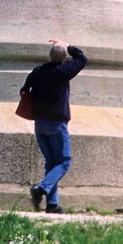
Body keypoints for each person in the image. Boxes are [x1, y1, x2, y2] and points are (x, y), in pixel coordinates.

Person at [20, 37, 88, 213]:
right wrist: (68, 45)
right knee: (64, 162)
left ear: (50, 56)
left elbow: (24, 90)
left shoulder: (38, 71)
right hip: (57, 123)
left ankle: (52, 204)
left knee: (51, 163)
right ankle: (41, 189)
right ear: (64, 57)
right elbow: (82, 59)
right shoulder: (63, 71)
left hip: (40, 123)